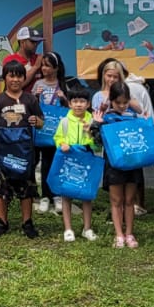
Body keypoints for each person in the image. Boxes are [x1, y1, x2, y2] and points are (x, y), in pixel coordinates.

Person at [93, 58, 153, 218]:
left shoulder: (126, 93)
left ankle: (132, 208)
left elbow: (139, 110)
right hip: (112, 146)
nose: (111, 79)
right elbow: (96, 120)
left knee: (131, 178)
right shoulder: (99, 96)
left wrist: (130, 101)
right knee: (114, 180)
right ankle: (115, 212)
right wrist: (104, 108)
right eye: (109, 76)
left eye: (115, 76)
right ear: (103, 76)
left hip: (130, 145)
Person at [0, 60, 44, 239]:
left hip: (25, 151)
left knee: (26, 188)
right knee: (2, 188)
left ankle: (27, 222)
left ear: (24, 78)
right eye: (11, 75)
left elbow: (41, 122)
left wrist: (37, 122)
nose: (15, 79)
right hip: (3, 151)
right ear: (5, 77)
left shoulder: (30, 99)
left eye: (19, 76)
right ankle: (2, 221)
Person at [99, 81, 146, 248]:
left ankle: (129, 233)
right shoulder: (106, 118)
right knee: (116, 200)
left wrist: (139, 111)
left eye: (124, 102)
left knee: (129, 200)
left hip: (132, 163)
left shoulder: (133, 116)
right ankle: (119, 234)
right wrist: (97, 124)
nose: (121, 106)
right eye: (117, 102)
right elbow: (98, 142)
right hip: (114, 164)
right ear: (111, 100)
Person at [53, 83, 99, 242]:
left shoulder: (92, 121)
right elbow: (58, 138)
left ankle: (87, 228)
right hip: (69, 161)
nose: (78, 104)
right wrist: (61, 144)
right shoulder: (65, 121)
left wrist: (91, 134)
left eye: (82, 101)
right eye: (75, 101)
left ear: (88, 104)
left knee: (87, 196)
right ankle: (68, 229)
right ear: (69, 103)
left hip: (86, 161)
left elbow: (98, 146)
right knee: (67, 195)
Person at [31, 52, 68, 214]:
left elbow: (72, 108)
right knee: (45, 162)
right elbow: (31, 105)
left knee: (59, 161)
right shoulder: (38, 83)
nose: (44, 68)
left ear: (56, 68)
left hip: (60, 131)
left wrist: (64, 99)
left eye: (48, 65)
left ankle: (58, 196)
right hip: (44, 130)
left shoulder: (64, 85)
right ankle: (45, 196)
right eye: (43, 65)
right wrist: (36, 96)